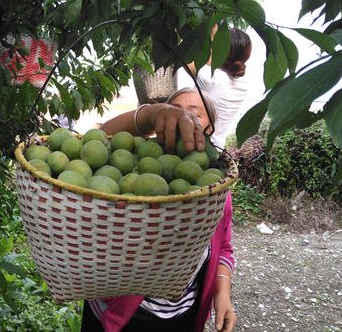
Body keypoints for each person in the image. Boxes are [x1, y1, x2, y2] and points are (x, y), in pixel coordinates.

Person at [80, 88, 236, 332]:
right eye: (175, 112)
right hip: (113, 314)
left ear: (210, 128)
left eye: (194, 114)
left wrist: (223, 293)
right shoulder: (138, 159)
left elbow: (224, 247)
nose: (183, 119)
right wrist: (151, 113)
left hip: (181, 315)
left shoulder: (215, 188)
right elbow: (98, 138)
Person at [176, 28, 252, 148]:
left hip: (198, 144)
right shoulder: (243, 83)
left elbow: (183, 54)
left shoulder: (212, 78)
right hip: (217, 147)